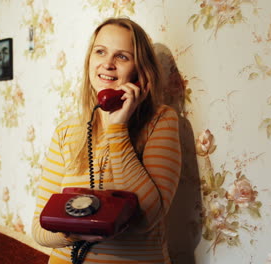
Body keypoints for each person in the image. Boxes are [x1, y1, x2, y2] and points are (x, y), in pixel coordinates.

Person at [32, 17, 181, 264]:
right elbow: (40, 229)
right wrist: (74, 233)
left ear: (139, 72)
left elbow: (147, 219)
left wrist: (118, 128)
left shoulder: (161, 121)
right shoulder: (66, 132)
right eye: (100, 51)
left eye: (122, 56)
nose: (108, 64)